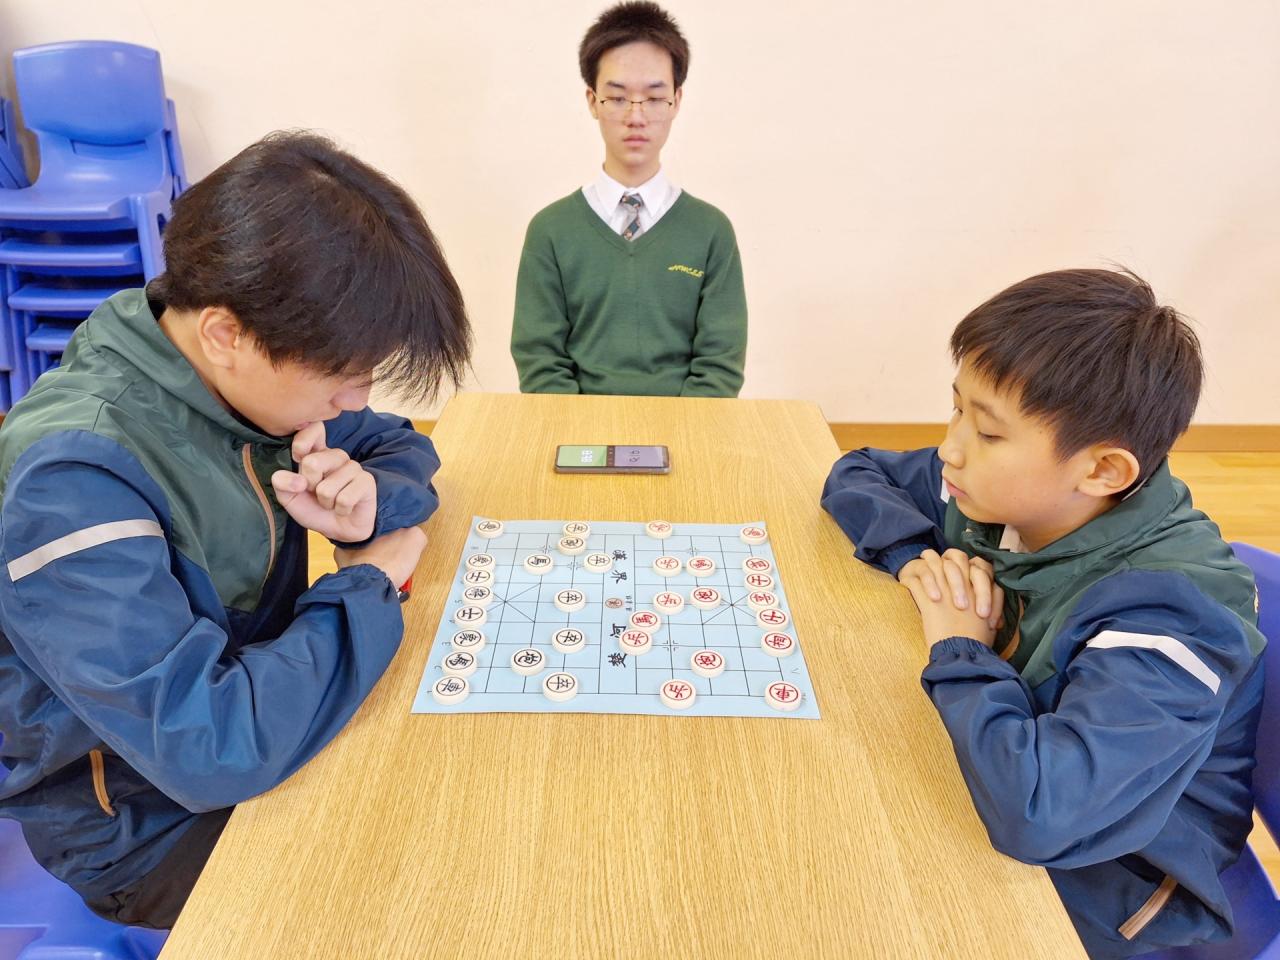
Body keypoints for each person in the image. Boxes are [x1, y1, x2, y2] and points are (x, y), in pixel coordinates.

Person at [0, 131, 472, 928]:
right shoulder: (73, 479)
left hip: (265, 713)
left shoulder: (233, 377)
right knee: (427, 885)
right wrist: (368, 582)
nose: (356, 398)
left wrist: (368, 504)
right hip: (144, 829)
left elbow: (401, 447)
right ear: (226, 335)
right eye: (343, 372)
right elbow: (207, 744)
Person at [821, 268, 1264, 958]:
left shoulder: (1172, 615)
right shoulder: (1014, 496)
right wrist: (914, 559)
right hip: (1008, 786)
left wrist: (963, 651)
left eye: (988, 432)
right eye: (956, 410)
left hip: (1111, 892)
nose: (951, 447)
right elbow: (860, 472)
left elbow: (1041, 815)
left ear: (1104, 471)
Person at [511, 1, 747, 397]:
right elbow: (540, 361)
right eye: (617, 98)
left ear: (676, 101)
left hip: (688, 428)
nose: (636, 117)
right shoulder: (551, 230)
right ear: (592, 101)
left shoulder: (710, 230)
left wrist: (679, 430)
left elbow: (719, 367)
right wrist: (581, 428)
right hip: (576, 428)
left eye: (654, 98)